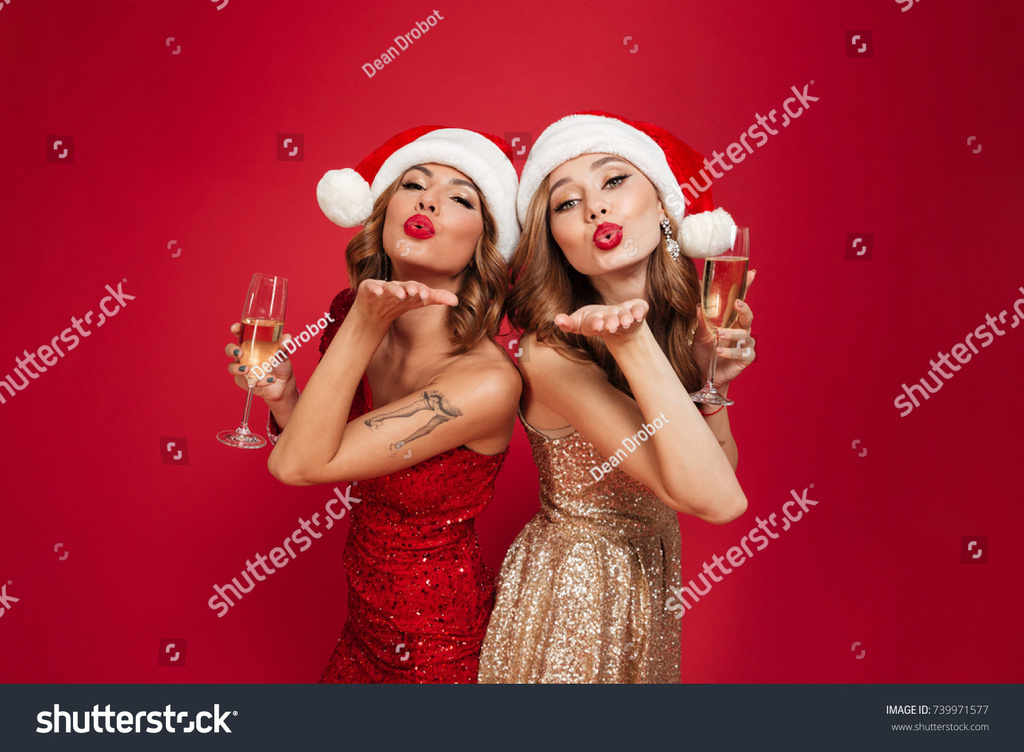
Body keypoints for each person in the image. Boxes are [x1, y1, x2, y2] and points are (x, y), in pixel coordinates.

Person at [224, 126, 521, 682]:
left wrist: (364, 323)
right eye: (413, 184)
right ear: (383, 212)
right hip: (363, 625)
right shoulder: (352, 312)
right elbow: (324, 448)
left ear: (485, 247)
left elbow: (296, 466)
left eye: (460, 198)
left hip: (439, 646)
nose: (428, 201)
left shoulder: (487, 382)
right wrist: (286, 397)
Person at [478, 113, 757, 683]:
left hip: (649, 577)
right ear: (555, 241)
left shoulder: (682, 326)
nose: (594, 208)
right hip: (576, 591)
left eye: (613, 181)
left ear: (664, 207)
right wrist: (632, 343)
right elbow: (720, 502)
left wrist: (712, 387)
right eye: (566, 202)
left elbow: (713, 473)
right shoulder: (550, 353)